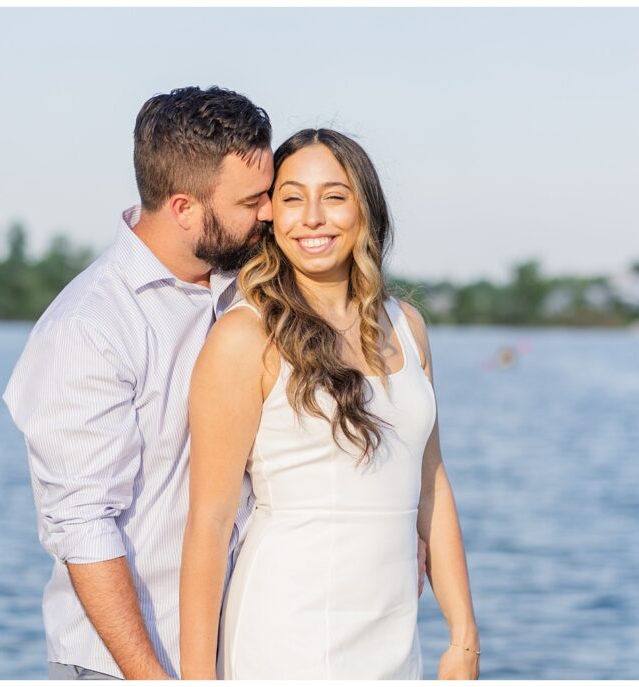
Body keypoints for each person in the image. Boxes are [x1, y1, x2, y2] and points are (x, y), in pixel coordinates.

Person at [180, 129, 480, 680]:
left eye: (334, 196)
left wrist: (463, 634)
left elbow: (432, 485)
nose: (312, 217)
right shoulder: (246, 337)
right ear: (272, 217)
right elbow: (209, 521)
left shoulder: (407, 326)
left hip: (393, 636)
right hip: (286, 635)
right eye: (292, 198)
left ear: (365, 208)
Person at [2, 86, 275, 680]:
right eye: (252, 200)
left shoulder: (247, 290)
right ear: (183, 208)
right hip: (129, 667)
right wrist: (150, 677)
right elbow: (81, 522)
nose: (270, 213)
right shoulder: (89, 327)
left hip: (243, 656)